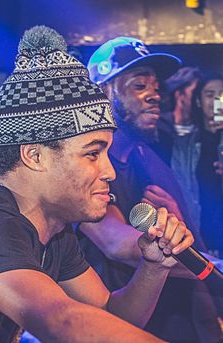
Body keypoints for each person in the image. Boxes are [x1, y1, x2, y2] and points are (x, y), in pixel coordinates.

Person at [0, 26, 195, 343]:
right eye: (92, 153)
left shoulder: (54, 233)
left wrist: (154, 267)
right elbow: (64, 322)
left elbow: (111, 316)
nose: (109, 171)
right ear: (35, 156)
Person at [78, 37, 222, 342]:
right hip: (123, 328)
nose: (154, 96)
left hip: (180, 325)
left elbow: (190, 238)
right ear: (102, 93)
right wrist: (180, 246)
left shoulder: (149, 159)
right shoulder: (84, 165)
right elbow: (116, 243)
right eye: (139, 85)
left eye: (156, 87)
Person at [158, 67, 202, 232]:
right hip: (172, 220)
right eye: (195, 92)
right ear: (179, 94)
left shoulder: (205, 133)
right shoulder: (157, 131)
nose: (199, 99)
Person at [194, 73, 223, 258]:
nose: (216, 101)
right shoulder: (184, 143)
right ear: (198, 101)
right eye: (209, 94)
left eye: (221, 95)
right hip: (200, 235)